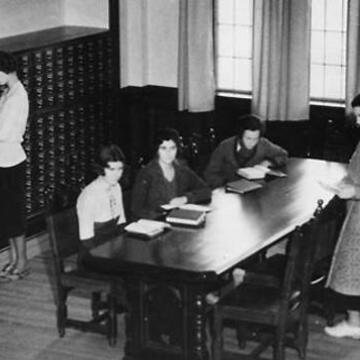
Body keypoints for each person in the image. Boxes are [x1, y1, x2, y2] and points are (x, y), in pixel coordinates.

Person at [324, 94, 360, 339]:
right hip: (355, 213)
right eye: (357, 116)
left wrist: (355, 191)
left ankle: (354, 323)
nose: (358, 122)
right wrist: (344, 183)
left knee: (352, 270)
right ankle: (355, 321)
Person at [131, 127, 211, 220]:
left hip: (179, 220)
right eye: (163, 148)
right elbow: (136, 209)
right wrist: (161, 217)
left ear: (177, 149)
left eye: (172, 148)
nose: (168, 153)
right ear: (157, 150)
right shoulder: (146, 174)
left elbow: (206, 190)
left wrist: (186, 198)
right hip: (155, 224)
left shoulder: (182, 169)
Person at [0, 51, 30, 281]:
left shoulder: (19, 96)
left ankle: (22, 261)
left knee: (15, 214)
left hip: (12, 162)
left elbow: (4, 132)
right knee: (7, 215)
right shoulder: (8, 93)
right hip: (3, 160)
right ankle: (12, 259)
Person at [204, 114, 288, 188]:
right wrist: (225, 184)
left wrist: (269, 162)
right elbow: (209, 174)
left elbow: (283, 155)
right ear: (240, 136)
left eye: (255, 139)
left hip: (255, 190)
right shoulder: (225, 146)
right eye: (248, 138)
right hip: (227, 191)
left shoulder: (263, 144)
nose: (252, 143)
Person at [76, 144, 127, 266]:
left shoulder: (116, 187)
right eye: (111, 169)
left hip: (112, 248)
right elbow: (86, 239)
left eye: (120, 169)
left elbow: (121, 223)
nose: (117, 174)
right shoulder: (89, 195)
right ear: (101, 168)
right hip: (93, 254)